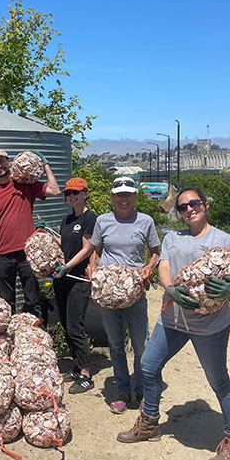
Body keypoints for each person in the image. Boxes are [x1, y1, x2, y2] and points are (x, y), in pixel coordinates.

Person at [117, 187, 230, 460]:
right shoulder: (173, 238)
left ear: (205, 205)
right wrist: (170, 289)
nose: (189, 209)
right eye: (183, 207)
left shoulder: (224, 240)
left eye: (194, 203)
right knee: (149, 365)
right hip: (173, 320)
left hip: (210, 326)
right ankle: (149, 423)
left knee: (219, 382)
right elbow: (164, 265)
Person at [85, 176, 159, 414]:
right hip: (109, 293)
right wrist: (92, 268)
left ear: (135, 196)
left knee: (141, 345)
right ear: (113, 197)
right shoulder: (103, 221)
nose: (124, 199)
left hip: (135, 292)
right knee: (115, 344)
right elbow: (96, 251)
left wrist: (149, 268)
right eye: (119, 194)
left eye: (128, 194)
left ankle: (143, 390)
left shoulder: (145, 221)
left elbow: (155, 251)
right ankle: (124, 390)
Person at [0, 149, 60, 319]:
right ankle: (10, 338)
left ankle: (36, 336)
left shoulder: (25, 186)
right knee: (6, 302)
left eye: (1, 161)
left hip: (27, 253)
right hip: (2, 255)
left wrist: (45, 164)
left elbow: (55, 190)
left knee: (32, 298)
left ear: (10, 162)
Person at [51, 177, 97, 394]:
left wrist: (68, 266)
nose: (72, 196)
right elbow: (64, 243)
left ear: (86, 193)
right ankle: (77, 365)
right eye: (68, 193)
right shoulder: (66, 219)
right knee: (66, 325)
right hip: (63, 279)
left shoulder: (89, 218)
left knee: (75, 327)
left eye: (76, 192)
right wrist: (47, 233)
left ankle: (87, 374)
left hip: (78, 278)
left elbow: (87, 248)